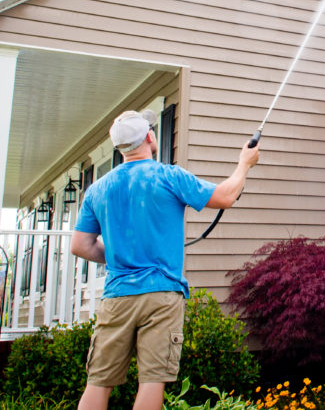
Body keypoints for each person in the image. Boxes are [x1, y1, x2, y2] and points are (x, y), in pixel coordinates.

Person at [71, 109, 259, 410]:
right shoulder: (169, 176)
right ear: (149, 136)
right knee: (152, 381)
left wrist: (120, 257)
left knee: (98, 382)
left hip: (116, 296)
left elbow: (80, 246)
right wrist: (244, 164)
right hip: (161, 296)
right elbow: (225, 196)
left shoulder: (98, 189)